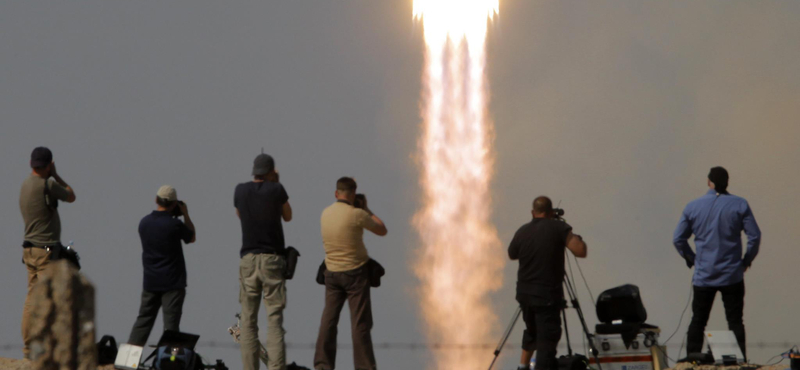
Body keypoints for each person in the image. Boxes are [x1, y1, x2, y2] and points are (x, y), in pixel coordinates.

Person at [673, 166, 760, 359]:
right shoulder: (740, 204)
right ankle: (740, 361)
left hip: (704, 275)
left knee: (698, 320)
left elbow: (678, 239)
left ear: (708, 181)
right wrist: (746, 260)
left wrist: (692, 258)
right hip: (732, 275)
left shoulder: (693, 206)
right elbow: (754, 235)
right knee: (735, 321)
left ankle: (692, 360)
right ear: (727, 182)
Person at [314, 177, 387, 370]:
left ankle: (322, 364)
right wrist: (366, 210)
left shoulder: (325, 213)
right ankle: (364, 367)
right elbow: (382, 230)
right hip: (355, 274)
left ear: (336, 193)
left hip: (331, 273)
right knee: (359, 324)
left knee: (328, 320)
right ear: (353, 194)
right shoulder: (357, 215)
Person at [508, 196, 587, 370]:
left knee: (532, 330)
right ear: (551, 212)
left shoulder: (522, 231)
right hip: (547, 296)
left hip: (524, 295)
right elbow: (580, 251)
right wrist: (575, 237)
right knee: (547, 341)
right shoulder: (558, 228)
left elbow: (512, 253)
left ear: (532, 212)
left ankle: (523, 366)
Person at [235, 153, 293, 370]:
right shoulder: (277, 190)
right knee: (274, 320)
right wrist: (276, 184)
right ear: (271, 171)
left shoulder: (240, 190)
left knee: (248, 322)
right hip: (272, 259)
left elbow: (240, 214)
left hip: (248, 259)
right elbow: (288, 216)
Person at [19, 146, 77, 358]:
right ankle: (50, 349)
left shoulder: (25, 185)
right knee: (53, 301)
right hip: (46, 253)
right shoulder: (47, 185)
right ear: (48, 164)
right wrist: (56, 175)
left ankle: (28, 348)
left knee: (31, 301)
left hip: (29, 250)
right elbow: (71, 196)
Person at [127, 185, 196, 346]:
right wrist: (185, 213)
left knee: (143, 322)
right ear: (173, 204)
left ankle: (127, 361)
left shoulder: (144, 223)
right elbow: (191, 237)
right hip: (172, 282)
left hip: (151, 281)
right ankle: (168, 362)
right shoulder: (174, 225)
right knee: (171, 327)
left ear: (155, 200)